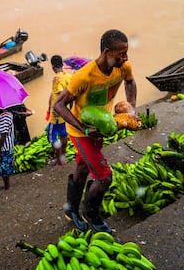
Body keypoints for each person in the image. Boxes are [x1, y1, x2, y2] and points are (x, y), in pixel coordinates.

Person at [54, 29, 137, 233]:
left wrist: (132, 108)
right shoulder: (84, 76)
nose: (125, 58)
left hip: (100, 126)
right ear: (107, 52)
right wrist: (83, 128)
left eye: (126, 53)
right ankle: (90, 214)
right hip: (80, 131)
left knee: (83, 168)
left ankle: (71, 210)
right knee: (104, 176)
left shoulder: (123, 67)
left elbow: (130, 82)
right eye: (121, 54)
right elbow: (58, 105)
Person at [46, 55, 72, 166]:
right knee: (63, 135)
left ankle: (59, 159)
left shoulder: (57, 78)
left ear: (53, 67)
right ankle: (63, 156)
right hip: (65, 113)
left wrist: (56, 108)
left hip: (56, 114)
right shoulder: (68, 76)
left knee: (51, 136)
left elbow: (61, 94)